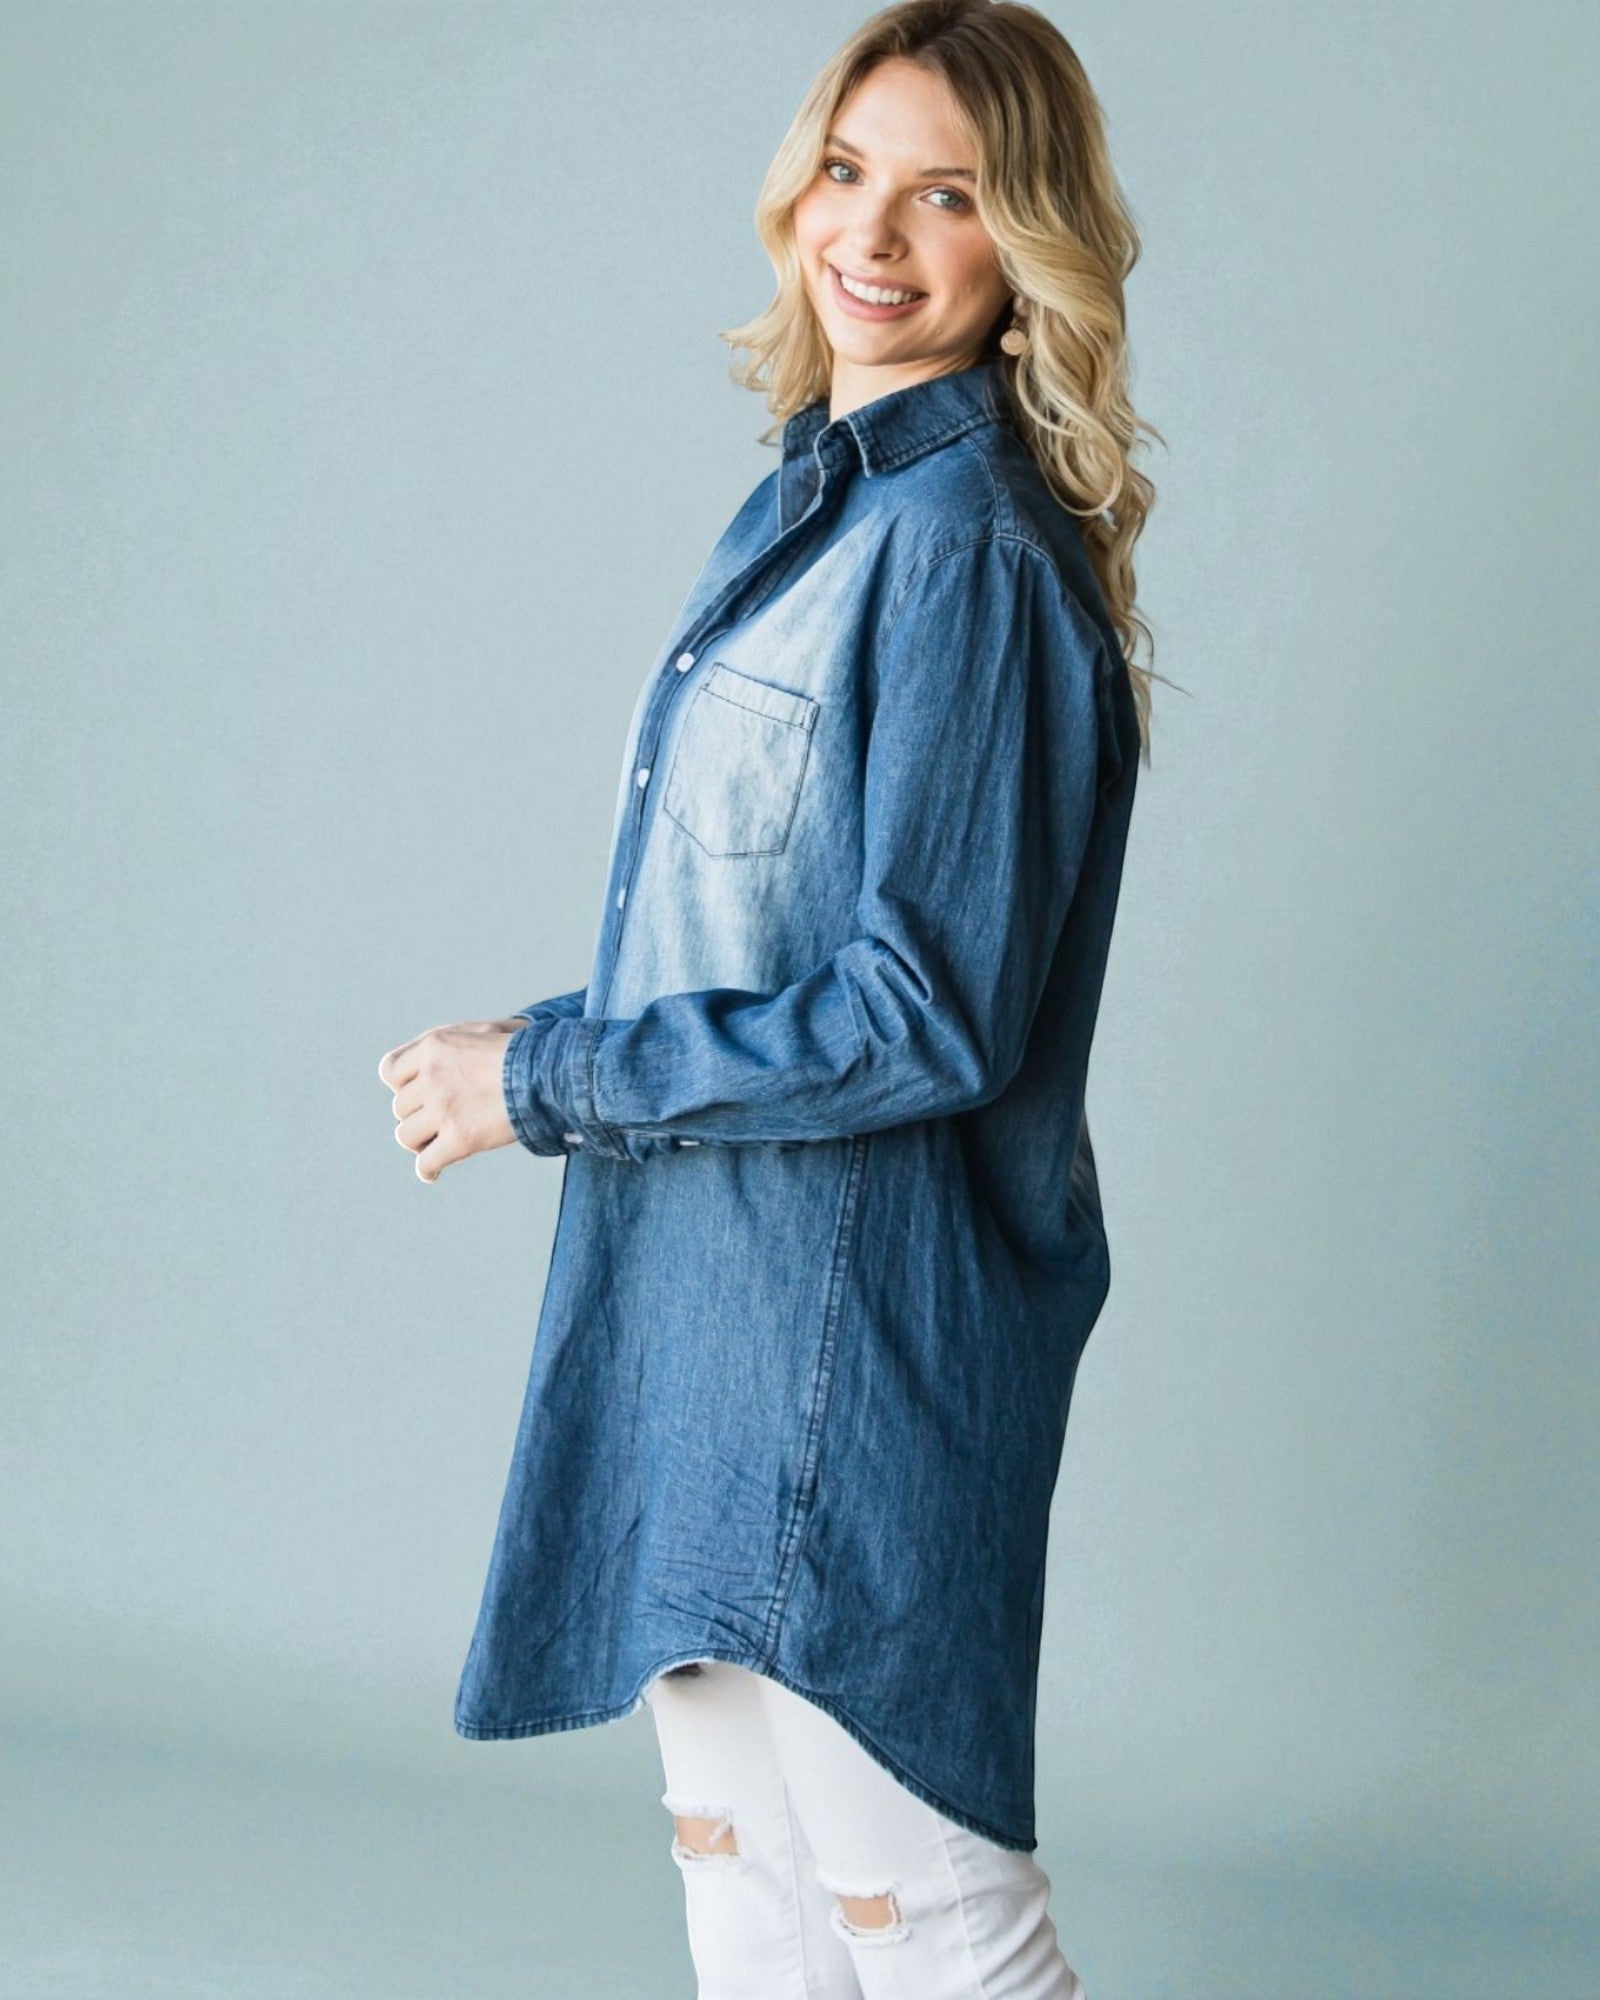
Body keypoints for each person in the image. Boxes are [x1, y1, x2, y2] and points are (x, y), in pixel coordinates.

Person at [378, 2, 1158, 1991]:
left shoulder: (960, 557)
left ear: (1025, 246)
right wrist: (535, 1046)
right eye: (846, 170)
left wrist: (544, 1076)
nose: (873, 234)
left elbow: (919, 1012)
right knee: (752, 1898)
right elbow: (761, 948)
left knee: (937, 1931)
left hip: (860, 1345)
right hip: (707, 1318)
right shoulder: (825, 511)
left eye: (948, 195)